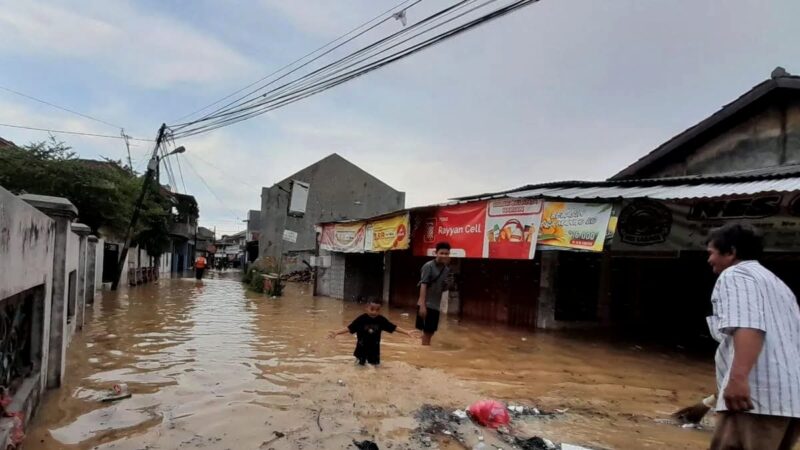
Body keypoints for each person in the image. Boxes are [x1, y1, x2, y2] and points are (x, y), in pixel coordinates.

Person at [705, 223, 800, 450]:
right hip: (788, 401)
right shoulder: (778, 284)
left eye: (711, 253)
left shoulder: (735, 275)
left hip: (754, 400)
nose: (709, 260)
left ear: (731, 252)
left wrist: (738, 379)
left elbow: (749, 326)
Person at [329, 298, 419, 366]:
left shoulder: (381, 320)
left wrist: (407, 332)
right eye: (372, 309)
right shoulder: (361, 319)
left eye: (377, 310)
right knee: (359, 369)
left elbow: (393, 327)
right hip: (361, 350)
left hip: (375, 350)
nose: (374, 312)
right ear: (366, 308)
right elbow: (350, 328)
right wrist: (337, 332)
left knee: (375, 369)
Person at [417, 241, 451, 346]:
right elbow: (423, 284)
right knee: (427, 333)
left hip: (436, 305)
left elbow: (443, 289)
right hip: (426, 304)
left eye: (446, 253)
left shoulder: (446, 270)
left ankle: (423, 350)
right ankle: (424, 354)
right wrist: (422, 306)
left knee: (430, 333)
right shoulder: (428, 266)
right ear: (436, 253)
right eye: (442, 253)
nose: (444, 255)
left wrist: (448, 284)